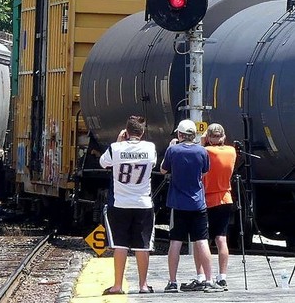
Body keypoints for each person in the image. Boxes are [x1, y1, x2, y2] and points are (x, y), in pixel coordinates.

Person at [161, 119, 223, 293]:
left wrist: (170, 147)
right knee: (202, 240)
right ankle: (209, 280)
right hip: (197, 203)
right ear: (194, 134)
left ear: (180, 135)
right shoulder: (202, 151)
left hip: (177, 203)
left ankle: (172, 282)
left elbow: (163, 170)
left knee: (175, 241)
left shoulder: (172, 150)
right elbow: (204, 172)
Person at [99, 115, 157, 295]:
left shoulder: (115, 148)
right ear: (142, 132)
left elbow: (103, 163)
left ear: (126, 131)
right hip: (143, 202)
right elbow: (153, 163)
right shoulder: (150, 148)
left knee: (120, 245)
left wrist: (118, 141)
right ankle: (143, 285)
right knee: (142, 245)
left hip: (120, 203)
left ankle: (117, 285)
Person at [199, 123, 237, 291]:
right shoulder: (231, 151)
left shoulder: (206, 151)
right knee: (221, 238)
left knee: (202, 239)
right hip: (225, 198)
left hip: (207, 199)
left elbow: (199, 153)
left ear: (208, 138)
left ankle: (204, 276)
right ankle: (222, 277)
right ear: (223, 137)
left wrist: (202, 142)